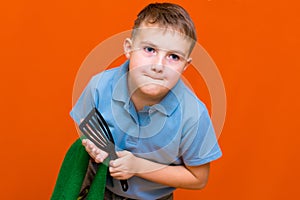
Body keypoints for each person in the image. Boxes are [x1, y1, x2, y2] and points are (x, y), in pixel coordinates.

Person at [70, 2, 222, 200]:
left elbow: (198, 178)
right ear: (128, 48)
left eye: (173, 57)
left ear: (186, 65)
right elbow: (86, 127)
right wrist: (92, 144)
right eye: (150, 49)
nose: (159, 66)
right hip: (95, 187)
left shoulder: (193, 115)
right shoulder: (99, 86)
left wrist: (139, 167)